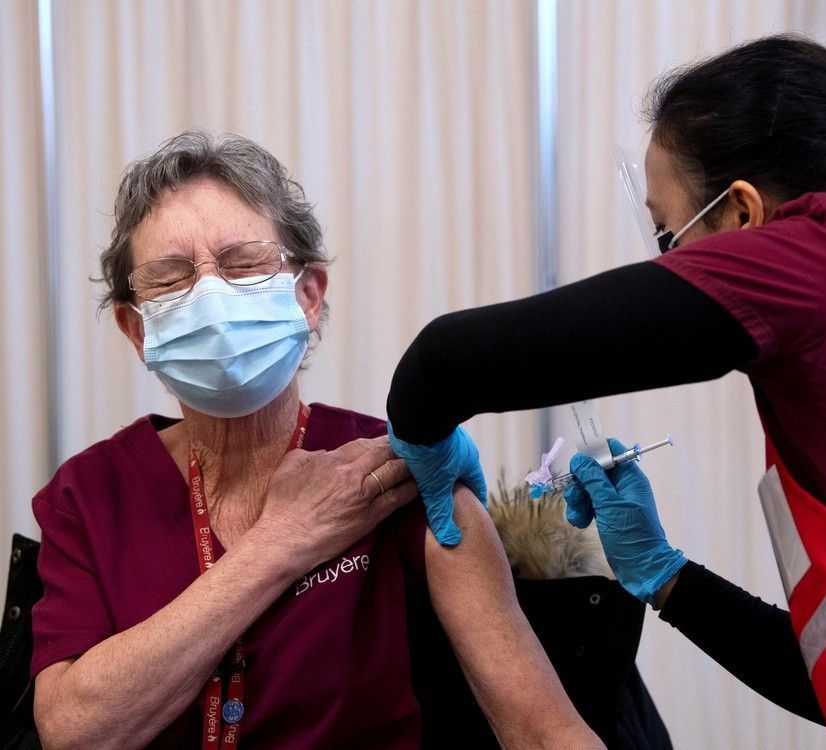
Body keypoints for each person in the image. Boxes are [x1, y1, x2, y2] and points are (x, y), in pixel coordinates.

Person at [386, 35, 826, 748]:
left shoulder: (813, 260)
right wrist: (665, 575)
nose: (665, 264)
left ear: (741, 216)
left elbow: (445, 362)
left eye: (667, 232)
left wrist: (423, 433)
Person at [29, 132, 602, 749]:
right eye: (171, 279)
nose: (211, 296)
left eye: (242, 264)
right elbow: (75, 732)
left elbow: (543, 732)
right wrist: (281, 543)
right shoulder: (89, 496)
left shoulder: (403, 474)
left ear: (308, 294)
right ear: (136, 328)